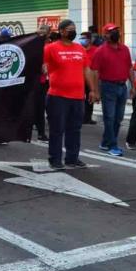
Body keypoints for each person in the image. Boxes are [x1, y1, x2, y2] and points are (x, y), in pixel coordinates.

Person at [44, 19, 97, 170]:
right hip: (57, 96)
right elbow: (41, 64)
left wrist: (92, 89)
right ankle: (55, 159)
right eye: (69, 29)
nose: (72, 32)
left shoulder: (80, 49)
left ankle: (72, 158)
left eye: (74, 29)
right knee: (57, 129)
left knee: (75, 129)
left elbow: (86, 69)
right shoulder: (51, 48)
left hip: (78, 97)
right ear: (61, 31)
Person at [90, 23, 133, 157]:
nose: (115, 33)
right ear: (105, 35)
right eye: (111, 31)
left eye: (116, 31)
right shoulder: (100, 51)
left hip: (122, 86)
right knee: (109, 117)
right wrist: (95, 91)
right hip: (108, 87)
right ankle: (112, 145)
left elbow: (129, 68)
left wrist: (134, 86)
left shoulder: (125, 49)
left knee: (118, 118)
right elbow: (94, 72)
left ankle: (105, 142)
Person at [79, 31, 99, 125]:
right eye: (81, 38)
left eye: (84, 38)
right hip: (80, 78)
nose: (82, 40)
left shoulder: (96, 50)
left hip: (91, 78)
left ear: (90, 40)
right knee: (80, 98)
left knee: (90, 98)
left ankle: (88, 117)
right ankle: (80, 116)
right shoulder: (79, 50)